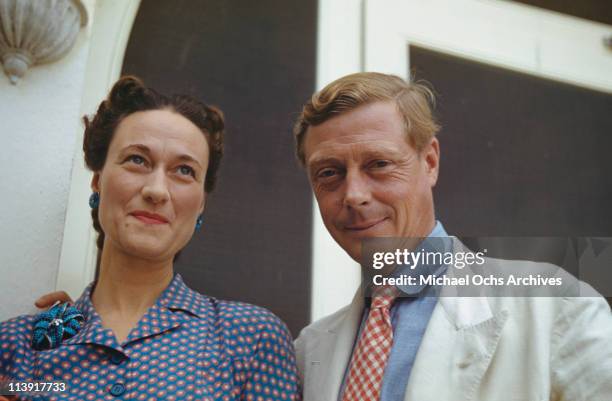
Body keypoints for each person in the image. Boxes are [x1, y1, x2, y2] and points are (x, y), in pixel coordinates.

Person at [292, 72, 612, 401]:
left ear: (430, 162)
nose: (353, 195)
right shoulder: (307, 352)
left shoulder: (556, 305)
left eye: (380, 163)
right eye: (329, 172)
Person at [0, 76, 300, 401]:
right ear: (98, 182)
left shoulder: (251, 339)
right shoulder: (18, 345)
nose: (156, 190)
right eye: (137, 160)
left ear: (200, 204)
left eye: (184, 170)